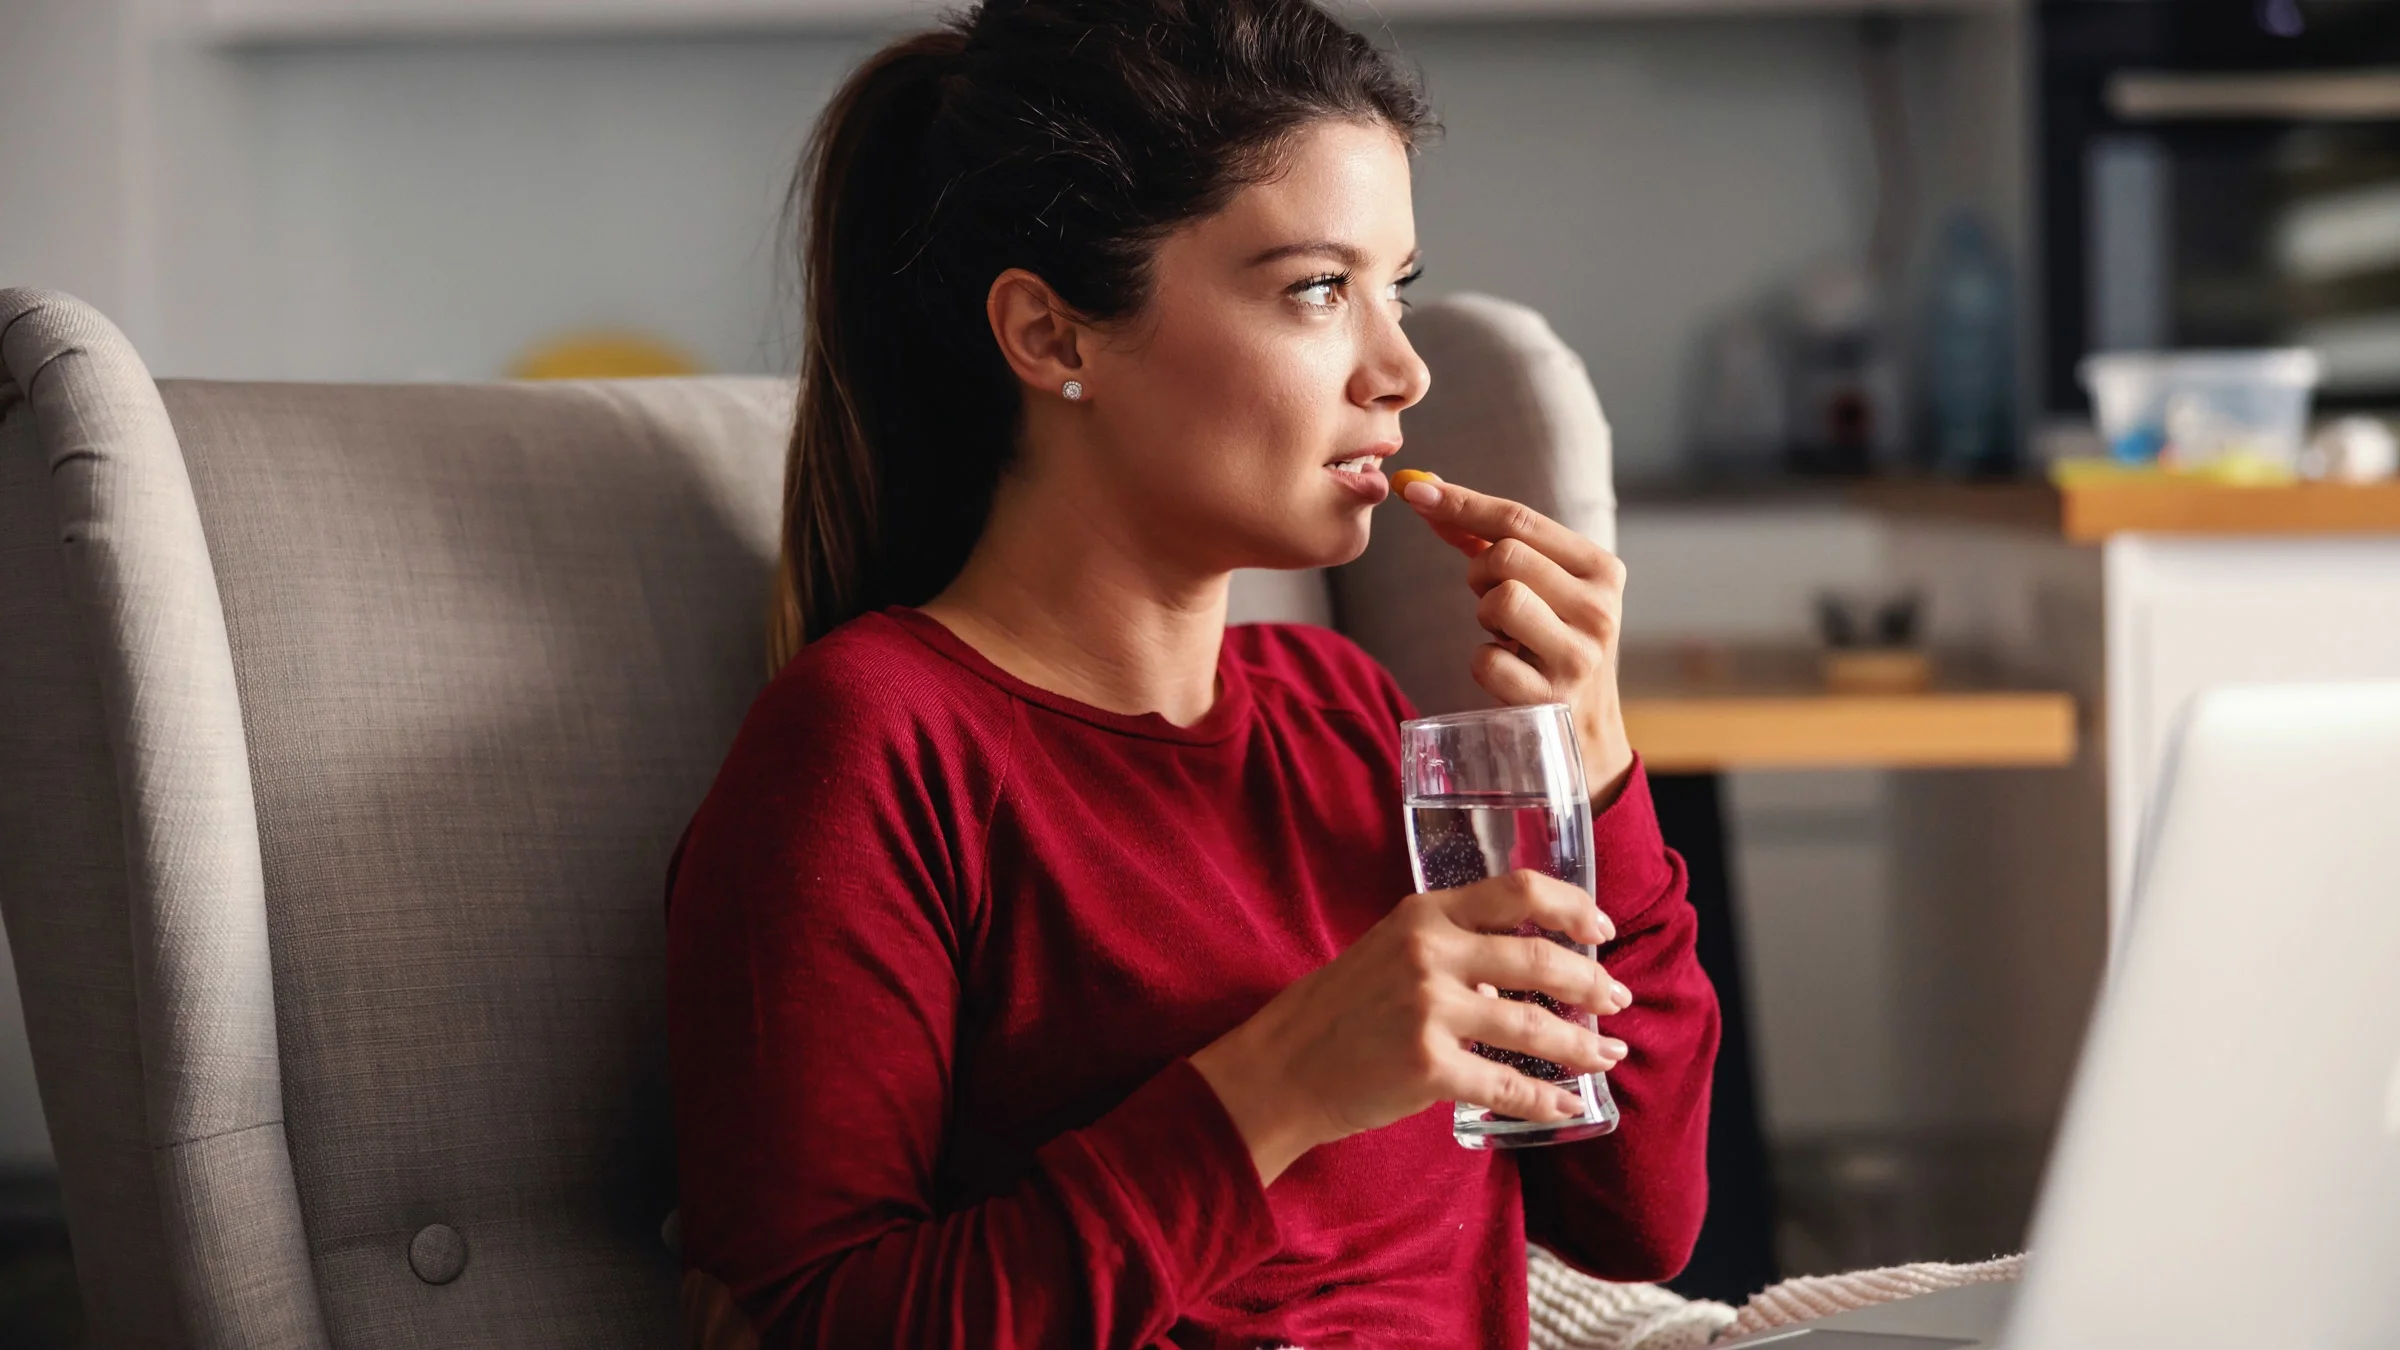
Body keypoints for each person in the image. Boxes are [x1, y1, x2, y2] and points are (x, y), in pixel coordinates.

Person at [662, 2, 1720, 1345]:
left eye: (1395, 286)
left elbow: (1636, 1219)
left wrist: (1596, 760)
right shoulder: (871, 745)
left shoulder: (1347, 714)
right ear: (1053, 337)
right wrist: (1276, 1089)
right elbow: (823, 1320)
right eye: (1317, 289)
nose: (1402, 370)